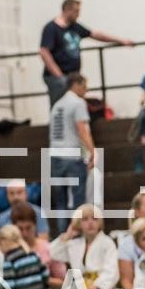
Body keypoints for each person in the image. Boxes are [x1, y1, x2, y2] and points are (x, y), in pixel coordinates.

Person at [39, 0, 133, 106]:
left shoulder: (74, 27)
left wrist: (121, 40)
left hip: (73, 76)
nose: (78, 15)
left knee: (75, 105)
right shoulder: (51, 28)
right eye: (76, 11)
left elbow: (95, 34)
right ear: (67, 10)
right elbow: (44, 52)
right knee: (60, 106)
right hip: (58, 77)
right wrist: (59, 75)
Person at [49, 73, 95, 221]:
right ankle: (77, 230)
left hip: (55, 155)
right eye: (84, 86)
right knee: (78, 199)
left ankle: (63, 231)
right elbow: (82, 130)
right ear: (75, 84)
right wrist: (92, 151)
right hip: (72, 155)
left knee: (61, 202)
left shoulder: (57, 105)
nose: (86, 90)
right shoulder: (77, 103)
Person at [10, 201, 66, 289]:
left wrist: (41, 279)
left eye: (28, 228)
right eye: (20, 229)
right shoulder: (9, 251)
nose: (25, 233)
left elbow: (64, 282)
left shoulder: (48, 248)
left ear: (35, 226)